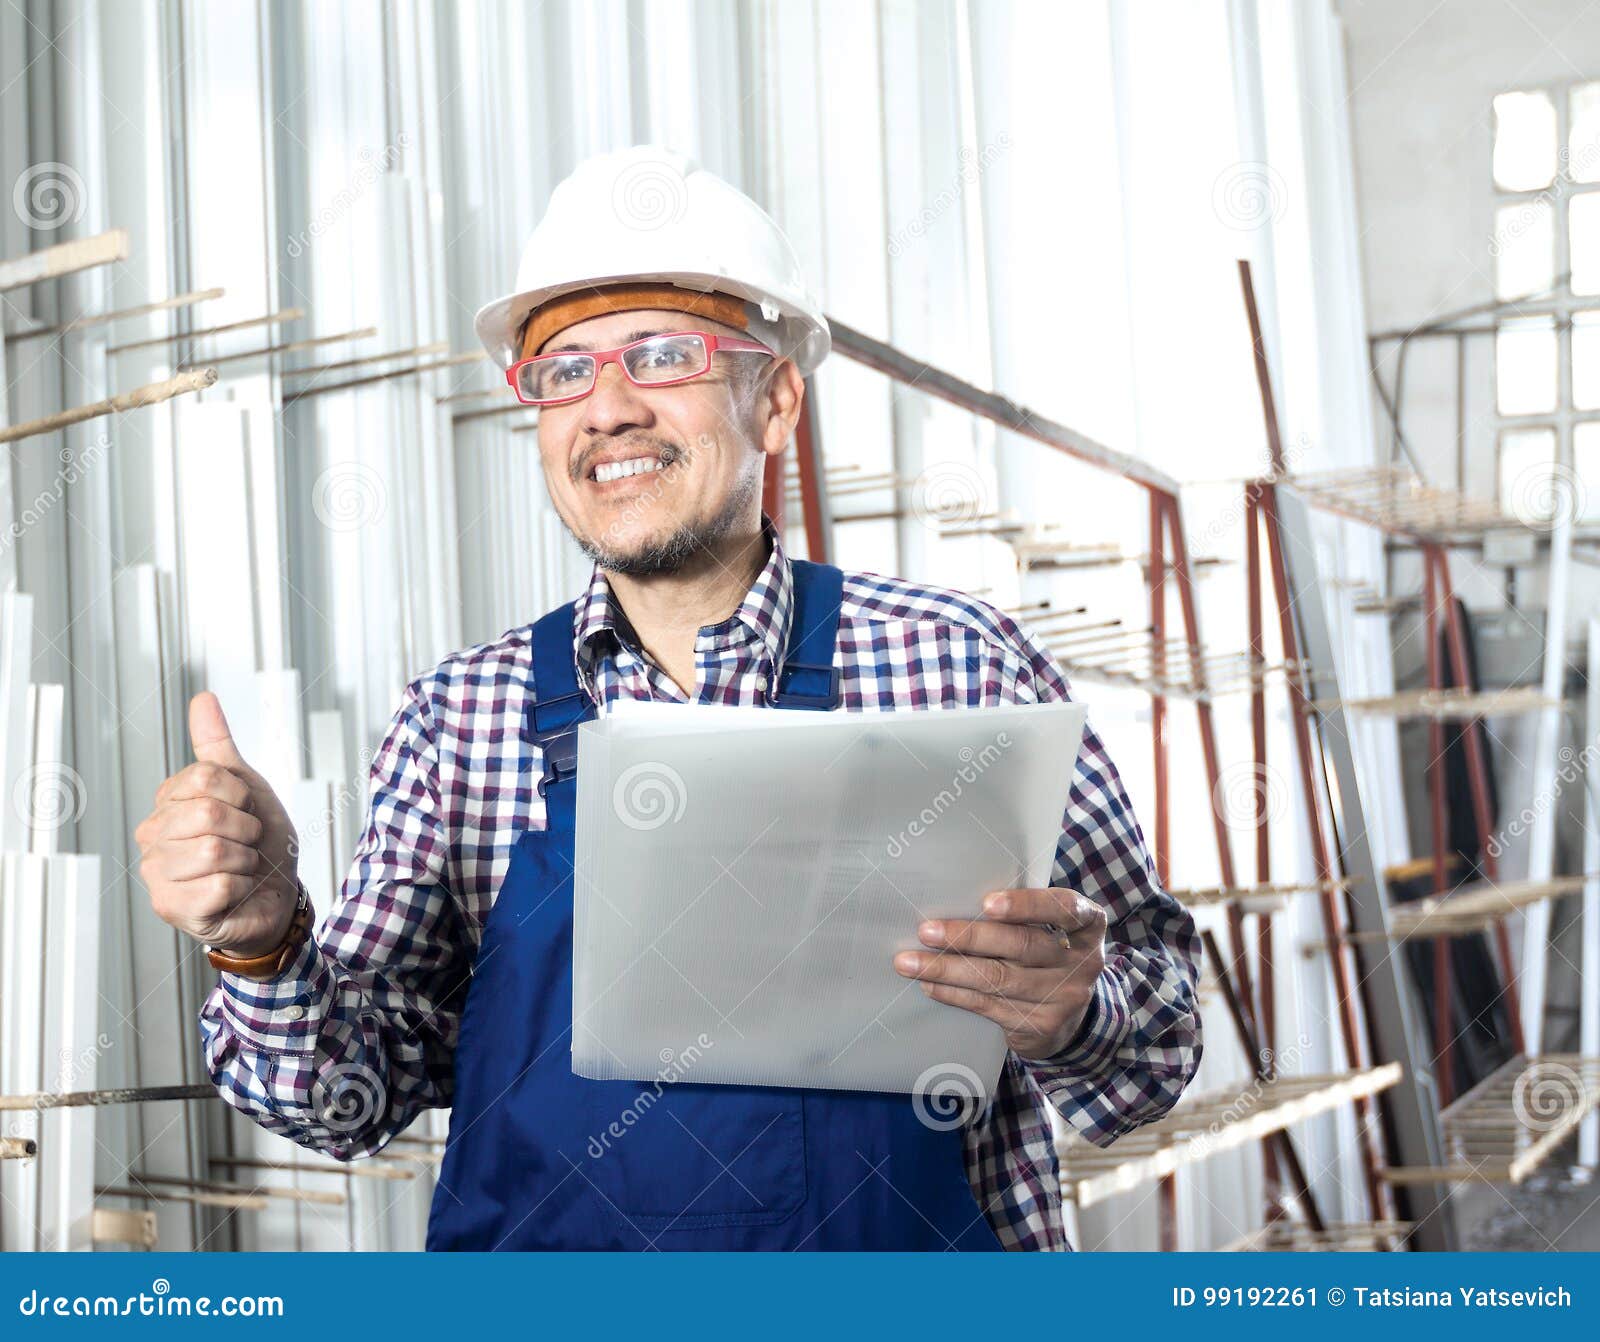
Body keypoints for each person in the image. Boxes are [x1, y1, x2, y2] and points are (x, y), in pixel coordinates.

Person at [135, 146, 1201, 1251]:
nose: (606, 407)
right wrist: (261, 943)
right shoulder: (459, 723)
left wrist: (1075, 1012)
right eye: (562, 369)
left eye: (662, 354)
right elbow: (341, 1102)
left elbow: (1157, 1058)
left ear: (776, 400)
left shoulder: (964, 666)